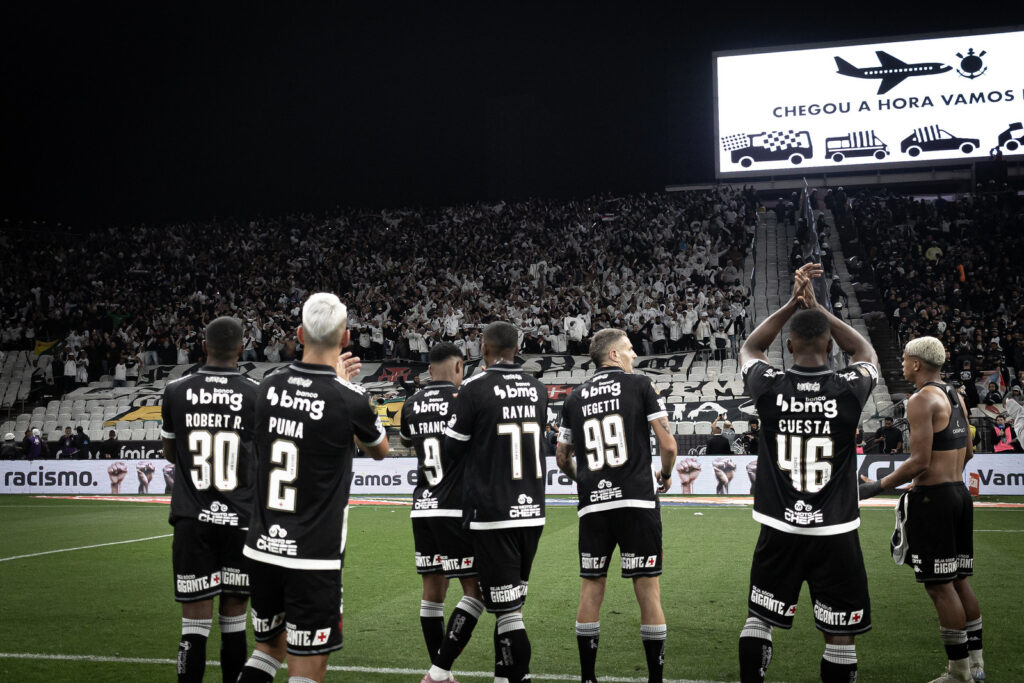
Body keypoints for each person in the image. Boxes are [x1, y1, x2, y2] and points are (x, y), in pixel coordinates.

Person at [737, 263, 879, 683]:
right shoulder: (849, 386)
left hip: (779, 526)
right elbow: (866, 354)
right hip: (835, 529)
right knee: (840, 634)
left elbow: (750, 347)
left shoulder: (769, 384)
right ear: (830, 347)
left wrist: (790, 305)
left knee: (759, 618)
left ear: (791, 344)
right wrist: (820, 309)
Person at [237, 293, 388, 683]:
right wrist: (342, 384)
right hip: (313, 556)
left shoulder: (267, 386)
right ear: (347, 338)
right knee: (308, 665)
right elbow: (380, 451)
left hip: (263, 546)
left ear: (300, 334)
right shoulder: (348, 398)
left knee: (267, 649)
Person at [859, 337, 984, 683]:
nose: (901, 364)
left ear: (916, 364)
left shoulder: (920, 400)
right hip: (959, 493)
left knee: (939, 586)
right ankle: (976, 665)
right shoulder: (955, 395)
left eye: (903, 359)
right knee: (961, 582)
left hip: (935, 501)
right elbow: (969, 452)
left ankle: (958, 673)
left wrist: (874, 487)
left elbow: (918, 461)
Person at [555, 328, 676, 683]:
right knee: (648, 589)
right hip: (637, 499)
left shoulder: (574, 398)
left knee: (591, 586)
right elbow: (667, 446)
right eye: (629, 349)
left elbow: (562, 457)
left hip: (594, 505)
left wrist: (586, 483)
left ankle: (588, 678)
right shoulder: (639, 385)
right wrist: (666, 475)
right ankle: (655, 679)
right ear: (613, 356)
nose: (634, 355)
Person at [444, 321, 547, 683]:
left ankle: (518, 678)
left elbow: (450, 450)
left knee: (508, 614)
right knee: (510, 605)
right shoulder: (538, 388)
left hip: (492, 512)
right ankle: (504, 677)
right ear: (516, 349)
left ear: (483, 348)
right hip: (531, 511)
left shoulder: (474, 389)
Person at [160, 316, 261, 683]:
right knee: (234, 624)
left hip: (192, 518)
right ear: (241, 347)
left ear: (203, 346)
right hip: (240, 521)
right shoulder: (256, 392)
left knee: (193, 627)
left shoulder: (175, 390)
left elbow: (171, 453)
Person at [402, 343, 485, 683]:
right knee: (475, 593)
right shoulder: (462, 400)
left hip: (422, 506)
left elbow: (409, 440)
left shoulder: (410, 404)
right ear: (458, 368)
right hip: (455, 508)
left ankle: (441, 672)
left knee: (432, 593)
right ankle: (440, 671)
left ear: (428, 369)